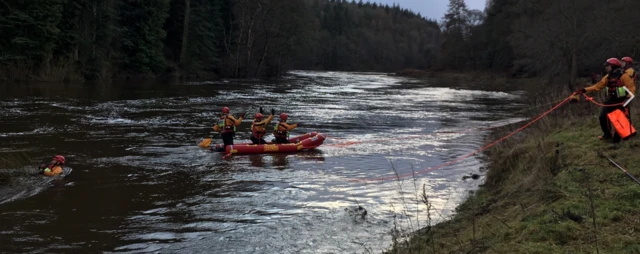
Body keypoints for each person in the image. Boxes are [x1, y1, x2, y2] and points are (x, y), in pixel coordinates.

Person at [576, 58, 636, 143]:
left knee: (618, 121)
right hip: (609, 101)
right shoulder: (608, 77)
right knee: (602, 117)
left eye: (607, 66)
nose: (606, 68)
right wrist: (584, 90)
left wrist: (625, 102)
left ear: (613, 66)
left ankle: (616, 141)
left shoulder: (624, 76)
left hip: (621, 102)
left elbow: (632, 90)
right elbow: (598, 86)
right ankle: (607, 135)